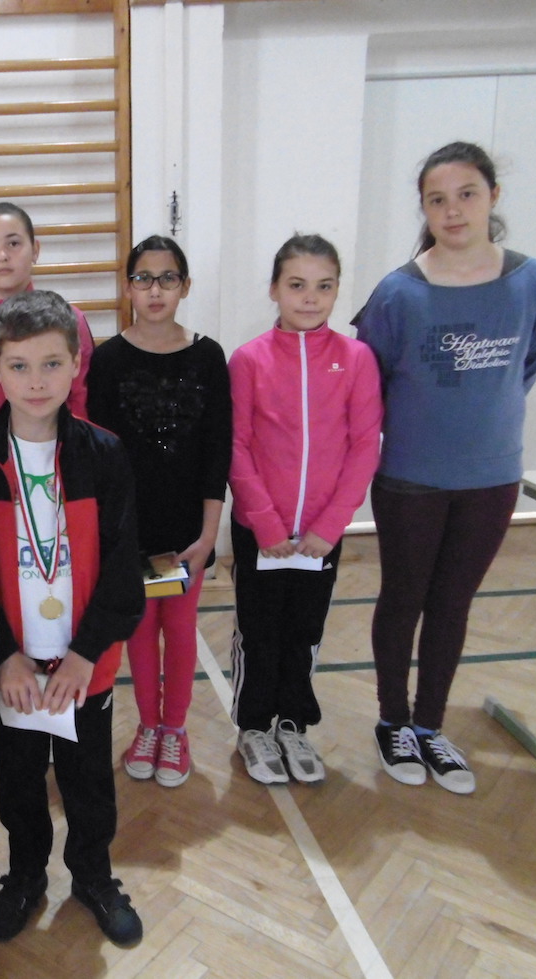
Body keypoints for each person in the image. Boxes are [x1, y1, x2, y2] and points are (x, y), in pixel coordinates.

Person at [354, 141, 536, 794]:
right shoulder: (398, 293)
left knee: (452, 602)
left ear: (493, 196)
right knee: (404, 596)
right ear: (424, 209)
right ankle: (393, 720)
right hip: (410, 478)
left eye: (467, 194)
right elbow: (371, 379)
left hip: (492, 478)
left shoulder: (532, 281)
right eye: (437, 200)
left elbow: (527, 362)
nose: (453, 210)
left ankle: (431, 724)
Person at [0, 290, 145, 948]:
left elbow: (124, 568)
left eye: (52, 364)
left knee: (89, 782)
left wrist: (87, 653)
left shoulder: (104, 455)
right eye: (19, 365)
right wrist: (4, 654)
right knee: (18, 784)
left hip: (83, 666)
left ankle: (93, 875)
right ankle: (25, 875)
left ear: (76, 364)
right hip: (14, 670)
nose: (36, 381)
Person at [228, 234, 382, 785]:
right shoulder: (248, 359)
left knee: (305, 631)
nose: (310, 298)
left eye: (324, 286)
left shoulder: (356, 359)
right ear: (274, 289)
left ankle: (293, 724)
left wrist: (331, 525)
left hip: (321, 536)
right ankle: (253, 727)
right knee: (258, 631)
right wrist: (266, 524)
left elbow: (364, 446)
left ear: (337, 291)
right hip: (260, 533)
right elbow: (237, 446)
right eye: (296, 285)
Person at [86, 235, 230, 789]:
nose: (155, 289)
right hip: (131, 532)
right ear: (128, 287)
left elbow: (217, 451)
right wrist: (110, 536)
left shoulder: (208, 357)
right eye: (143, 278)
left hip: (186, 533)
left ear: (184, 286)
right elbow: (100, 456)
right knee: (141, 631)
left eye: (167, 278)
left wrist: (209, 534)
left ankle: (176, 730)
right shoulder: (107, 360)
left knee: (181, 627)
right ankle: (148, 725)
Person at [0, 202, 96, 460]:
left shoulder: (70, 320)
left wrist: (80, 464)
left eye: (13, 243)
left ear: (35, 250)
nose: (2, 255)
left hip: (58, 462)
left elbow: (81, 401)